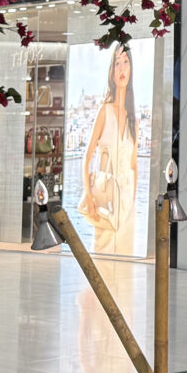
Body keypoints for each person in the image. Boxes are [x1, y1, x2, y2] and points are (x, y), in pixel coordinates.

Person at [80, 45, 138, 253]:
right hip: (105, 200)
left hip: (127, 205)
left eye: (126, 62)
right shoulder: (104, 111)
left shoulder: (133, 120)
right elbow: (87, 158)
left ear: (131, 69)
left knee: (126, 259)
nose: (122, 68)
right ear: (111, 71)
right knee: (101, 256)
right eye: (117, 63)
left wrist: (132, 202)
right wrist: (89, 196)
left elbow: (134, 166)